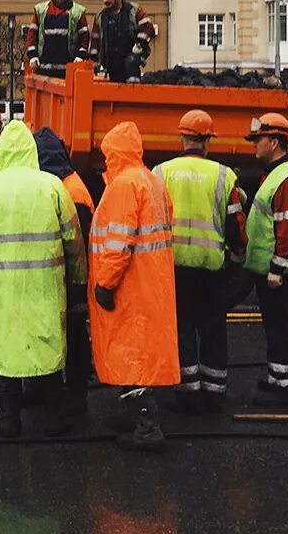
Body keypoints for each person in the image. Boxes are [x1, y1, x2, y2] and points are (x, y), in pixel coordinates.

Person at [0, 120, 86, 439]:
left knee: (6, 353)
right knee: (45, 350)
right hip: (45, 288)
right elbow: (74, 241)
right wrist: (77, 280)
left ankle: (8, 420)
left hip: (1, 292)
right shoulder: (52, 186)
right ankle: (55, 420)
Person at [88, 121, 179, 451]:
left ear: (115, 152)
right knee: (135, 352)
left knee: (132, 356)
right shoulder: (151, 180)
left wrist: (105, 284)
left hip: (129, 285)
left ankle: (146, 427)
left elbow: (119, 240)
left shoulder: (125, 184)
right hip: (148, 283)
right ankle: (134, 415)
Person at [153, 109, 247, 415]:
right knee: (213, 330)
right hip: (211, 268)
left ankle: (187, 393)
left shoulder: (161, 172)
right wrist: (235, 261)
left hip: (173, 267)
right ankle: (214, 393)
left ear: (181, 137)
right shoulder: (224, 175)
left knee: (181, 329)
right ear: (207, 141)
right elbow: (237, 226)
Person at [243, 112, 288, 407]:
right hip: (275, 268)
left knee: (280, 325)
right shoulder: (280, 173)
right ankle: (283, 379)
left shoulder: (285, 178)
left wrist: (278, 268)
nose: (254, 146)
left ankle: (284, 388)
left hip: (277, 272)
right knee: (280, 323)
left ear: (274, 142)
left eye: (258, 140)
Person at [33, 126, 95, 417]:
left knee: (73, 337)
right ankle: (69, 391)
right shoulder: (69, 183)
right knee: (69, 335)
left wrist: (76, 286)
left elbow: (76, 244)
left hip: (72, 281)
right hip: (70, 277)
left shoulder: (70, 192)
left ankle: (76, 394)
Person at [88, 0, 158, 83]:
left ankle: (133, 94)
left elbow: (148, 28)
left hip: (131, 61)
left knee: (131, 64)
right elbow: (95, 41)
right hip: (110, 63)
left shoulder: (133, 11)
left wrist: (139, 44)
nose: (105, 1)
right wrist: (94, 61)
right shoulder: (101, 17)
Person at [25, 0, 90, 79]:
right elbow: (32, 34)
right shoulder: (41, 10)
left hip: (68, 70)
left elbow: (85, 37)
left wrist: (80, 55)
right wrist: (33, 55)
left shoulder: (77, 12)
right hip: (44, 69)